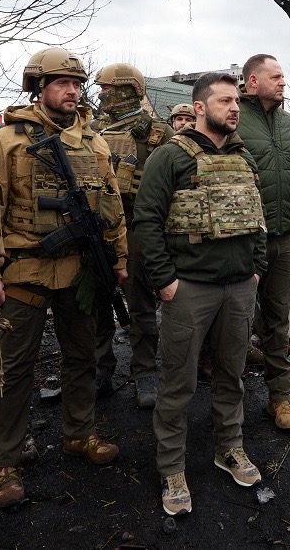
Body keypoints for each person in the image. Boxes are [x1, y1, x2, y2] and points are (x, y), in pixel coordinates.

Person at [0, 47, 128, 508]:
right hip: (22, 269)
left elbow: (112, 206)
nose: (73, 92)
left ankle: (78, 434)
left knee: (82, 357)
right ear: (39, 88)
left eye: (77, 84)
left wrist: (120, 259)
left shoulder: (94, 142)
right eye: (62, 83)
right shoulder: (4, 142)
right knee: (14, 370)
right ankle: (8, 459)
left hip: (80, 269)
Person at [133, 72, 268, 516]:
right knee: (178, 383)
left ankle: (228, 448)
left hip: (238, 287)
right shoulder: (169, 156)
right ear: (199, 108)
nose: (235, 108)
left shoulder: (244, 156)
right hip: (189, 289)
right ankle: (172, 467)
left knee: (232, 375)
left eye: (238, 102)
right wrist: (166, 281)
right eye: (226, 101)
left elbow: (257, 216)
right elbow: (147, 223)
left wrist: (256, 270)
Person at [237, 54, 290, 431]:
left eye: (284, 76)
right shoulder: (234, 121)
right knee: (233, 322)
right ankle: (228, 402)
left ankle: (280, 399)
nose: (283, 82)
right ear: (253, 81)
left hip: (281, 240)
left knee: (277, 321)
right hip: (240, 243)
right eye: (276, 76)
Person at [91, 63, 173, 408]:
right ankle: (100, 370)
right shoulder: (90, 130)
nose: (100, 94)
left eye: (106, 89)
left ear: (126, 90)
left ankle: (145, 371)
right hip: (96, 228)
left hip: (137, 228)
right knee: (96, 303)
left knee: (139, 304)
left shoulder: (157, 132)